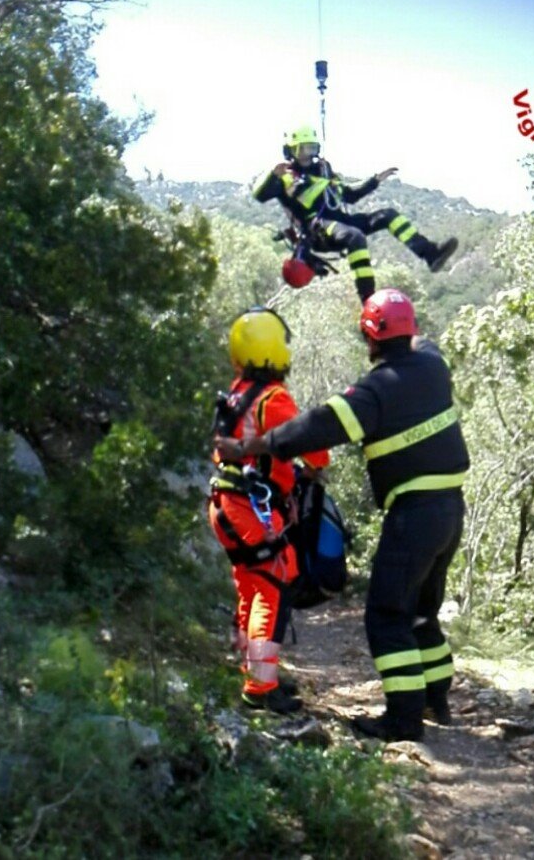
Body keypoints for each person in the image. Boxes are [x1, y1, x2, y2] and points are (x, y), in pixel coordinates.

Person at [214, 288, 469, 741]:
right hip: (450, 512)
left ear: (369, 338)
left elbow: (315, 429)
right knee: (421, 610)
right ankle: (436, 699)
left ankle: (403, 720)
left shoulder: (374, 392)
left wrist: (251, 446)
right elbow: (415, 337)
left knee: (387, 614)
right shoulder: (433, 364)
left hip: (413, 514)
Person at [208, 307, 329, 714]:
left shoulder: (236, 392)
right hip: (251, 507)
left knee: (251, 584)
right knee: (274, 583)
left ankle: (255, 672)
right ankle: (261, 688)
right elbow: (316, 452)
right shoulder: (272, 399)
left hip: (225, 503)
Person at [252, 126, 459, 303]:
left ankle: (430, 254)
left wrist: (375, 180)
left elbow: (349, 195)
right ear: (292, 150)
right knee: (355, 236)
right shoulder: (286, 177)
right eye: (303, 149)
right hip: (318, 229)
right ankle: (368, 298)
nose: (308, 154)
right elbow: (259, 195)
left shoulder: (323, 170)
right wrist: (273, 174)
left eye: (311, 148)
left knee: (388, 215)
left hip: (341, 221)